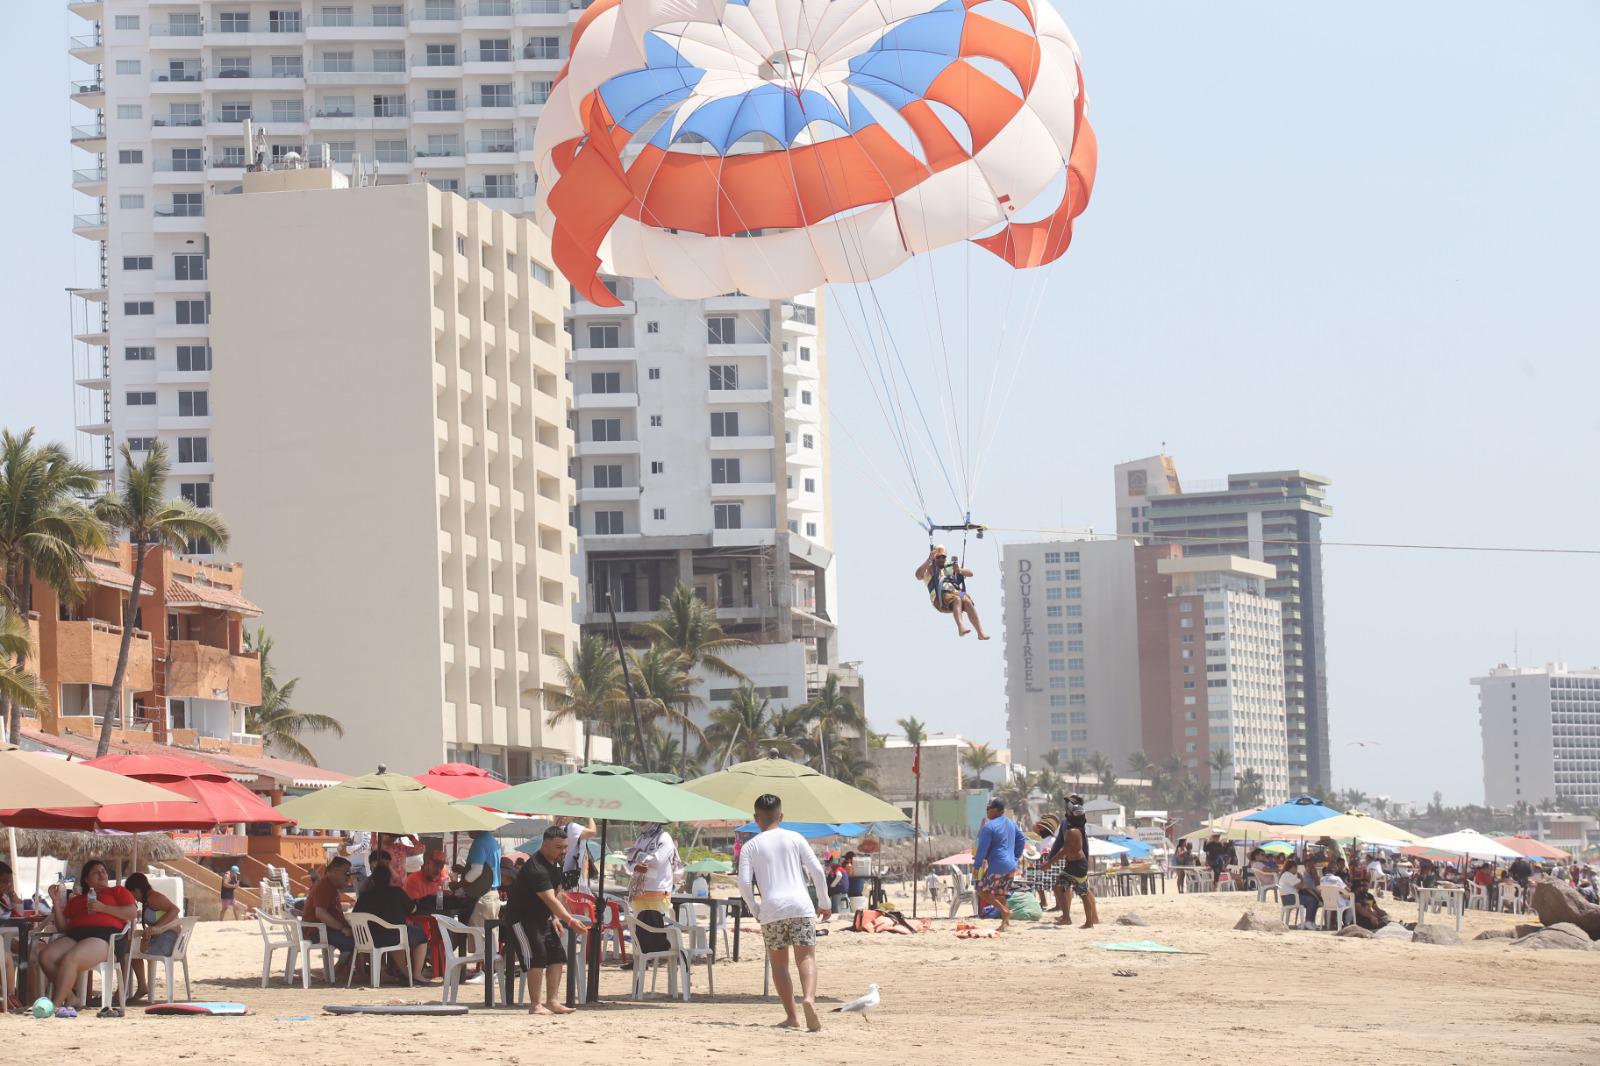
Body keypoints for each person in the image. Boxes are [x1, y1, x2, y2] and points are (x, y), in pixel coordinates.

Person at [737, 793, 830, 1031]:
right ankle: (809, 998)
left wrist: (755, 908)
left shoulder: (750, 846)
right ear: (781, 816)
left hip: (772, 910)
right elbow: (817, 871)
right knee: (806, 958)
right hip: (801, 906)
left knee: (779, 965)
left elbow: (744, 883)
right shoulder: (795, 838)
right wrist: (824, 902)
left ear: (756, 818)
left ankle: (792, 1017)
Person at [502, 824, 589, 1016]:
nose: (563, 851)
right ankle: (535, 1005)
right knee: (537, 956)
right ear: (545, 845)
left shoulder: (556, 864)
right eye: (558, 847)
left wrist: (555, 917)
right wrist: (571, 921)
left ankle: (553, 1002)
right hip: (521, 919)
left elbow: (557, 893)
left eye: (565, 847)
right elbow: (550, 899)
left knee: (557, 956)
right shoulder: (536, 868)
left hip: (542, 918)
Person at [37, 859, 138, 1015]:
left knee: (71, 959)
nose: (101, 874)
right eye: (95, 872)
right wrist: (56, 902)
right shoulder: (77, 900)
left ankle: (55, 1006)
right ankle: (71, 998)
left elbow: (132, 913)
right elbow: (63, 927)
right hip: (75, 937)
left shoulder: (117, 891)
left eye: (103, 871)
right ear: (86, 879)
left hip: (103, 938)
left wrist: (103, 908)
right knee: (46, 956)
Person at [353, 865, 428, 983]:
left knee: (397, 935)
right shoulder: (397, 892)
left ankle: (406, 974)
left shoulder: (364, 897)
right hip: (394, 936)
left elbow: (354, 916)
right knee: (421, 937)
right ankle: (417, 974)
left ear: (373, 880)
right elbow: (413, 910)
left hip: (368, 939)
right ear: (389, 879)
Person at [122, 873, 182, 1003]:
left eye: (132, 894)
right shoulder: (149, 900)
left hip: (167, 942)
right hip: (163, 939)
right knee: (130, 946)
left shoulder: (153, 898)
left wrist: (157, 927)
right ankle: (141, 986)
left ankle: (138, 987)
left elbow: (175, 910)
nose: (134, 898)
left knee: (128, 947)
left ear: (137, 890)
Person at [1043, 795, 1098, 929]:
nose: (1066, 810)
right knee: (1063, 888)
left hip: (1077, 865)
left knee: (1083, 893)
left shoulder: (1074, 831)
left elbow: (1066, 850)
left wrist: (1049, 863)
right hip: (1074, 864)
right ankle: (1071, 918)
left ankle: (1089, 920)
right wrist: (1050, 858)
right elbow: (1060, 843)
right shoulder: (1071, 827)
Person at [972, 797, 1025, 931]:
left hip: (998, 865)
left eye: (989, 809)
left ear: (997, 810)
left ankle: (1004, 911)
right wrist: (1015, 857)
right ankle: (1005, 923)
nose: (987, 811)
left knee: (981, 891)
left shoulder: (988, 827)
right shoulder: (1011, 824)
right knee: (1000, 894)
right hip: (1011, 866)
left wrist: (976, 866)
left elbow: (982, 849)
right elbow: (1021, 839)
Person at [915, 544, 989, 639]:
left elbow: (970, 573)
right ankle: (961, 627)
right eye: (938, 557)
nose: (941, 559)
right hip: (940, 597)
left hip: (955, 592)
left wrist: (959, 570)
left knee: (967, 600)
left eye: (943, 557)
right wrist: (929, 560)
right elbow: (918, 575)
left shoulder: (949, 566)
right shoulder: (929, 569)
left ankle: (980, 632)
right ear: (934, 558)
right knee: (957, 599)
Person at [626, 823, 679, 954]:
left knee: (659, 928)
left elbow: (657, 860)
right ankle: (639, 958)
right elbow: (628, 861)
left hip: (658, 891)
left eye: (644, 820)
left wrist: (636, 854)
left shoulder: (664, 837)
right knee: (638, 928)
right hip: (639, 891)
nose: (641, 822)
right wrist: (636, 866)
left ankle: (659, 957)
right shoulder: (640, 839)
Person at [305, 856, 356, 978]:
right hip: (317, 932)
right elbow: (320, 913)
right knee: (356, 944)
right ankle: (336, 972)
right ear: (335, 872)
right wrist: (342, 928)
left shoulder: (330, 886)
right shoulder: (324, 886)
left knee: (360, 939)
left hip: (326, 930)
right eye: (347, 873)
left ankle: (345, 971)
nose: (349, 877)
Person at [0, 861, 22, 1011]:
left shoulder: (6, 898)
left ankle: (29, 994)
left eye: (9, 882)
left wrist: (12, 894)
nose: (7, 885)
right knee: (6, 954)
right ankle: (10, 995)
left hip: (8, 935)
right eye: (3, 881)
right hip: (4, 936)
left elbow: (20, 913)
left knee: (32, 950)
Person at [1277, 860, 1318, 929]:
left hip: (1288, 898)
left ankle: (1310, 921)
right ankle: (1308, 921)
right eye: (1296, 868)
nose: (1296, 870)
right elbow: (1300, 886)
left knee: (1311, 898)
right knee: (1312, 900)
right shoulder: (1288, 875)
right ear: (1292, 867)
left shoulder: (1285, 875)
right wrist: (1301, 877)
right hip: (1291, 898)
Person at [559, 817, 597, 890]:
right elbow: (593, 832)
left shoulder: (557, 827)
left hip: (562, 873)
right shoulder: (573, 827)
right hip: (573, 875)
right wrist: (590, 817)